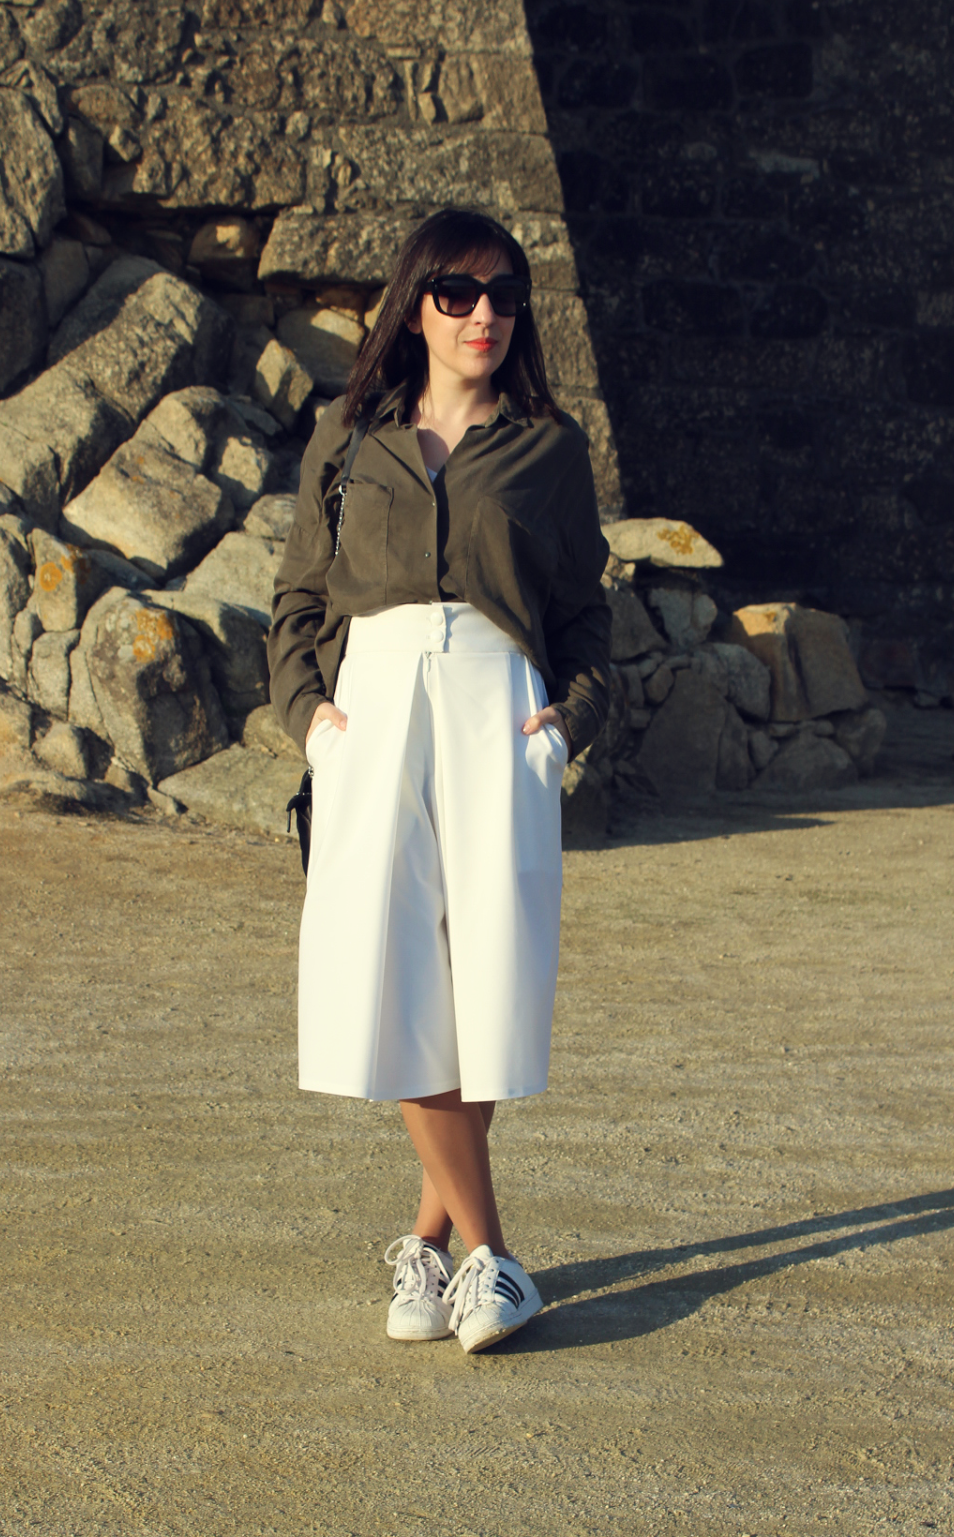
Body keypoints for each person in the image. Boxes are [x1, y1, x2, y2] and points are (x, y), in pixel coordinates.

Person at [268, 208, 611, 1354]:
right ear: (414, 304)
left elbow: (586, 616)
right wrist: (310, 720)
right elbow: (298, 597)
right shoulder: (349, 435)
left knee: (486, 978)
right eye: (457, 294)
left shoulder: (548, 449)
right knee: (397, 972)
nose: (483, 316)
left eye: (504, 295)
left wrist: (567, 726)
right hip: (371, 709)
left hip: (498, 708)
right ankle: (490, 1258)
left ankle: (432, 1246)